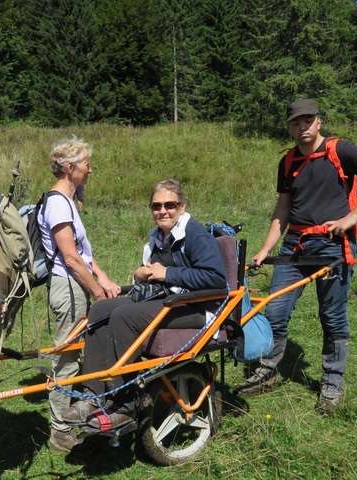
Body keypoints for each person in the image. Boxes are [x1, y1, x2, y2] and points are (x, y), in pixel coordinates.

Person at [236, 99, 357, 414]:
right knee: (275, 312)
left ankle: (332, 382)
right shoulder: (287, 162)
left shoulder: (341, 151)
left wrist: (353, 217)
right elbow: (282, 210)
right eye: (296, 123)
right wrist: (265, 248)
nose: (303, 128)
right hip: (295, 245)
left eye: (308, 121)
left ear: (319, 122)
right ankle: (267, 372)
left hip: (333, 245)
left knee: (332, 316)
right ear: (289, 127)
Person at [62, 179, 227, 430]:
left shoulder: (195, 234)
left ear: (182, 206)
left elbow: (216, 279)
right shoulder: (158, 237)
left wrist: (168, 273)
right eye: (156, 206)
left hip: (198, 308)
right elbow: (154, 276)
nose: (162, 211)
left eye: (169, 205)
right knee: (100, 309)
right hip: (169, 302)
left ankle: (124, 404)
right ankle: (92, 393)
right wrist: (139, 276)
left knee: (125, 316)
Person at [38, 136, 121, 452]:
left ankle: (77, 413)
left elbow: (83, 255)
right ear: (70, 167)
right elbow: (70, 258)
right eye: (87, 164)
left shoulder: (67, 202)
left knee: (75, 352)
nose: (90, 169)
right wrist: (97, 291)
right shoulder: (58, 202)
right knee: (67, 358)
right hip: (69, 287)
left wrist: (103, 278)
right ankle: (60, 431)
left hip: (75, 284)